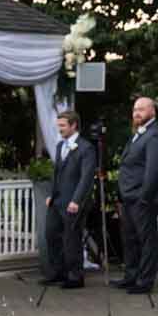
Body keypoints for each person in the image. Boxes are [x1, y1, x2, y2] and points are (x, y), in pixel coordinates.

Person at [111, 96, 158, 294]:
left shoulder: (155, 135)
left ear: (152, 111)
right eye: (135, 109)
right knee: (130, 239)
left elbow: (152, 170)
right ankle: (131, 276)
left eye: (141, 109)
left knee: (146, 240)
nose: (137, 113)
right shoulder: (139, 133)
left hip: (142, 198)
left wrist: (144, 197)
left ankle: (144, 281)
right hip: (129, 197)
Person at [39, 109, 97, 289]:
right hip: (57, 201)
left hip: (73, 202)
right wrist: (51, 194)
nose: (60, 129)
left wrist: (76, 201)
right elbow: (57, 174)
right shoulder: (59, 146)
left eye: (63, 126)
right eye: (59, 125)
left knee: (71, 239)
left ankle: (75, 276)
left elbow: (86, 177)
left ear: (74, 125)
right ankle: (57, 272)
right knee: (51, 235)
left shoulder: (86, 148)